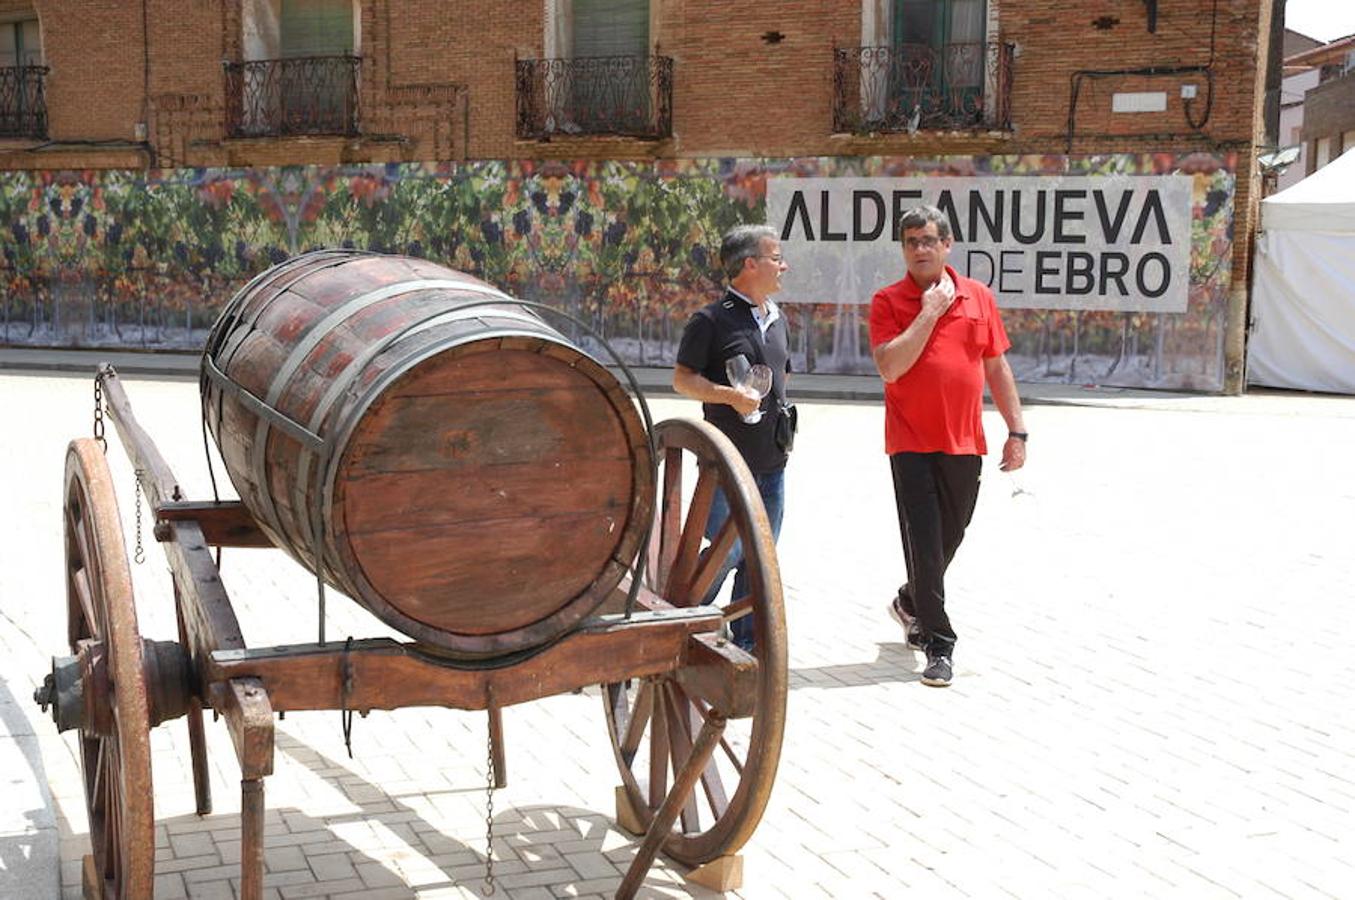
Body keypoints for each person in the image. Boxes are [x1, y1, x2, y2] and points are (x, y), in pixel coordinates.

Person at [868, 205, 1027, 687]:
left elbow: (996, 368)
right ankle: (939, 644)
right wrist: (928, 314)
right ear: (903, 249)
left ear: (947, 245)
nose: (920, 248)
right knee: (924, 541)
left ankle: (911, 599)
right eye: (911, 241)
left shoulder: (978, 297)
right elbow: (890, 367)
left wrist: (1016, 431)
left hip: (964, 442)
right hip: (910, 441)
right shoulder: (888, 301)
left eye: (928, 240)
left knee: (950, 534)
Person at [673, 224, 794, 651]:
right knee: (725, 554)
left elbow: (781, 377)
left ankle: (746, 647)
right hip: (725, 466)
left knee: (760, 559)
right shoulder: (710, 320)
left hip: (773, 463)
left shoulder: (778, 320)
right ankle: (679, 623)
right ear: (750, 264)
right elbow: (683, 380)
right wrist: (729, 396)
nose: (784, 266)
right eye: (776, 258)